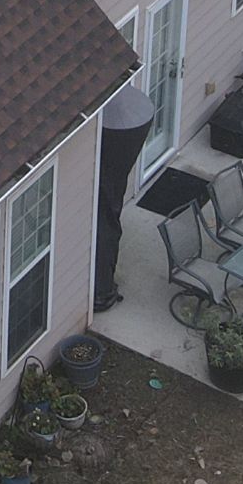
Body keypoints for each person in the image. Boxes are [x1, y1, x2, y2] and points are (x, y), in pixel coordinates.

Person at [92, 73, 156, 310]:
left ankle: (102, 292)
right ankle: (103, 289)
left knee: (106, 225)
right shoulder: (128, 127)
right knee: (108, 222)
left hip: (108, 189)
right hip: (111, 190)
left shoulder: (119, 130)